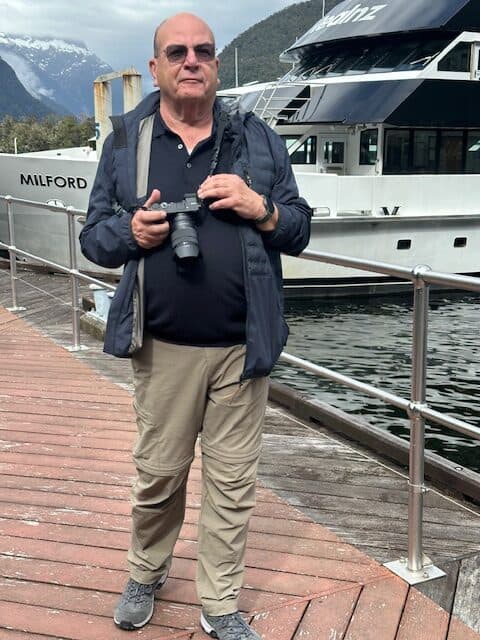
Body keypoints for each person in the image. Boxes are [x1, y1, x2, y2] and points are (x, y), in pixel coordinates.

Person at [80, 12, 311, 639]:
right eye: (177, 52)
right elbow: (93, 239)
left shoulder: (258, 140)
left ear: (215, 64)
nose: (191, 61)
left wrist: (261, 208)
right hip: (163, 348)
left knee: (233, 485)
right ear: (155, 67)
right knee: (159, 476)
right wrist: (131, 232)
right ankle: (145, 572)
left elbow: (299, 227)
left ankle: (221, 603)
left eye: (203, 51)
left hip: (243, 346)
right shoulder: (126, 142)